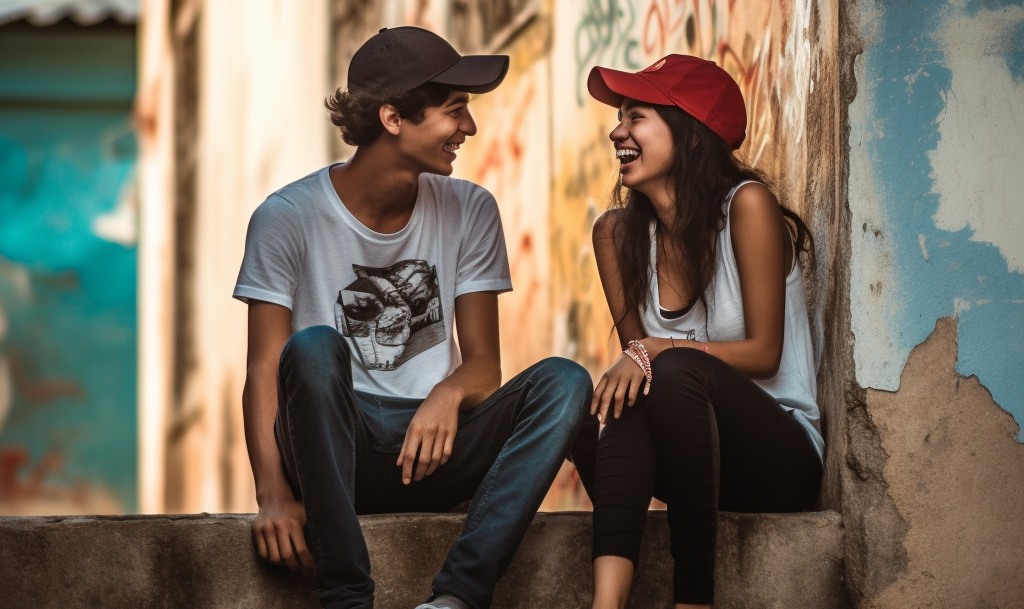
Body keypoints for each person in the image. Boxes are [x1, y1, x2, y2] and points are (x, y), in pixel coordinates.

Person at [233, 26, 594, 609]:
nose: (469, 129)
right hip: (332, 448)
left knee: (565, 381)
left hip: (434, 454)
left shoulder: (470, 208)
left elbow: (484, 364)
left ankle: (457, 598)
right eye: (455, 112)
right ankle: (346, 595)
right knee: (313, 347)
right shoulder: (286, 217)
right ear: (394, 118)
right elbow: (263, 371)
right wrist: (272, 495)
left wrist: (447, 394)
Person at [584, 55, 825, 608]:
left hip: (778, 458)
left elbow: (764, 353)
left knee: (668, 367)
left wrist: (661, 348)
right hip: (692, 460)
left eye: (636, 115)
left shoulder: (747, 206)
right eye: (620, 116)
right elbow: (640, 373)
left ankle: (694, 600)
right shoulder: (615, 237)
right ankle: (605, 604)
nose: (617, 130)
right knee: (617, 394)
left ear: (691, 136)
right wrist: (652, 354)